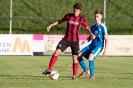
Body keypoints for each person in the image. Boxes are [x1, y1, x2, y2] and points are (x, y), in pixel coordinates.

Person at [42, 3, 95, 80]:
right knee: (56, 52)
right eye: (74, 11)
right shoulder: (68, 16)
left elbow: (87, 27)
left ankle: (74, 76)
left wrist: (91, 33)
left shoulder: (82, 19)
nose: (75, 12)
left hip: (75, 41)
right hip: (66, 39)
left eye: (77, 11)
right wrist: (51, 25)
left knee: (75, 58)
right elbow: (60, 21)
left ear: (80, 11)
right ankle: (49, 69)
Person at [78, 10, 109, 79]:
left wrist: (105, 50)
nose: (96, 18)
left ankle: (92, 76)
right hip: (91, 45)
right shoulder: (92, 26)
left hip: (99, 46)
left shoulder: (103, 27)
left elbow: (106, 39)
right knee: (78, 55)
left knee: (91, 57)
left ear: (101, 17)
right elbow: (91, 36)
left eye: (97, 17)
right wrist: (86, 41)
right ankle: (86, 70)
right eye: (95, 16)